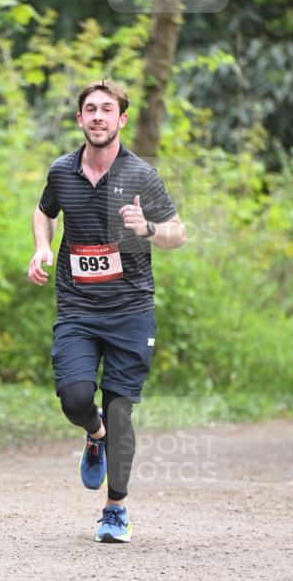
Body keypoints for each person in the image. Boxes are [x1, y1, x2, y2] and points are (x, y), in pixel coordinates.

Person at [27, 79, 186, 543]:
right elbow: (44, 212)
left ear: (122, 119)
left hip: (130, 310)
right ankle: (94, 436)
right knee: (75, 400)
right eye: (91, 109)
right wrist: (41, 247)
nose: (98, 116)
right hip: (77, 306)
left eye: (107, 109)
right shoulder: (62, 171)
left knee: (120, 411)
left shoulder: (141, 175)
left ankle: (115, 510)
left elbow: (178, 233)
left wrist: (148, 227)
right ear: (80, 119)